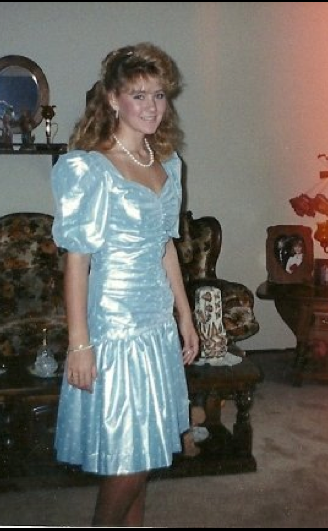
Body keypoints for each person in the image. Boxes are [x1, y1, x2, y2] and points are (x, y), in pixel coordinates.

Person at [50, 42, 199, 527]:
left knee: (146, 452)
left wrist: (185, 315)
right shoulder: (90, 168)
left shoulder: (167, 163)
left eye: (159, 95)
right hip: (114, 328)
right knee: (127, 463)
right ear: (114, 99)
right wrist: (79, 345)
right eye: (139, 95)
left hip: (155, 326)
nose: (152, 107)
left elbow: (165, 246)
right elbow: (77, 262)